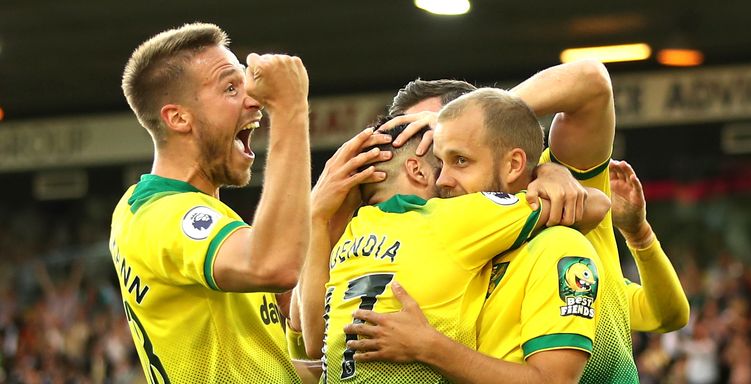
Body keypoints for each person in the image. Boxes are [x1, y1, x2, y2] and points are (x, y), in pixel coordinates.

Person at [363, 61, 688, 382]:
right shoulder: (430, 251)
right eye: (433, 156)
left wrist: (482, 119)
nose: (441, 175)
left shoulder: (564, 192)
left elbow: (591, 82)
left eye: (454, 152)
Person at [303, 98, 611, 383]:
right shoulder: (454, 219)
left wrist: (317, 218)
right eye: (440, 164)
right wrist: (549, 175)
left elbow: (313, 342)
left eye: (460, 161)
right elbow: (596, 204)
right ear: (416, 170)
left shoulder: (351, 236)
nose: (443, 180)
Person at [110, 22, 310, 383]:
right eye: (230, 88)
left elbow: (267, 368)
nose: (253, 99)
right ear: (178, 117)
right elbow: (274, 265)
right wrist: (290, 109)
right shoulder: (162, 215)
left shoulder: (208, 217)